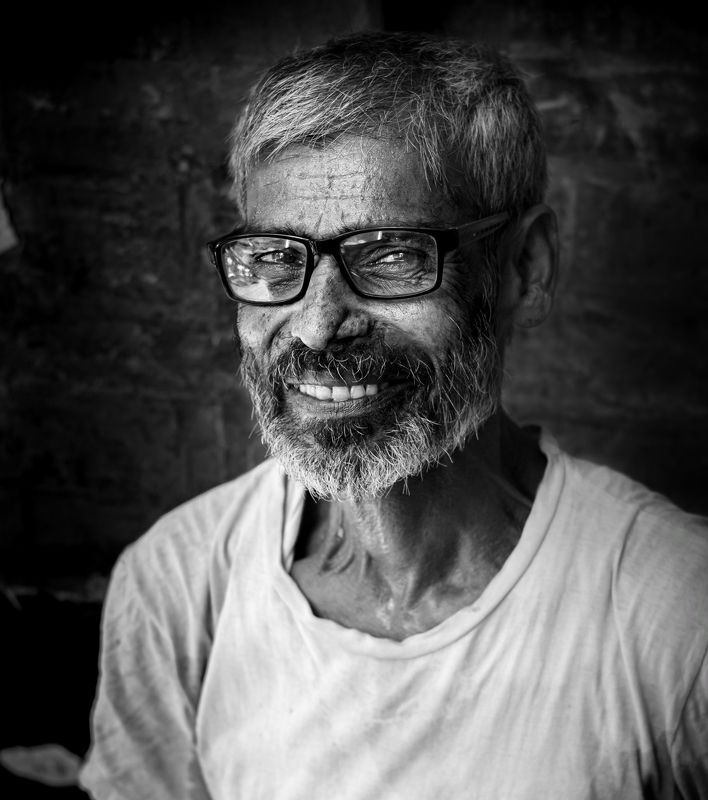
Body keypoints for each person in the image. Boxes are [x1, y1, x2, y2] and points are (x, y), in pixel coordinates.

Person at [79, 30, 708, 800]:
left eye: (391, 256)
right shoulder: (177, 582)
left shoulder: (675, 613)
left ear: (525, 268)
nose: (317, 326)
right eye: (275, 257)